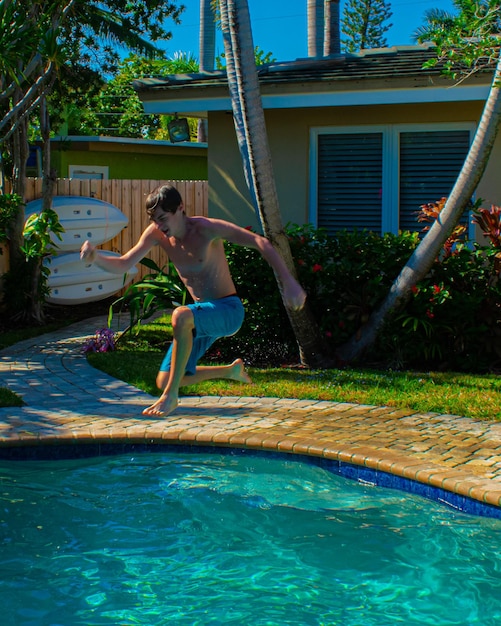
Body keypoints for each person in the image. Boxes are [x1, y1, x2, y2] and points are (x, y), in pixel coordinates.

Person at [80, 184, 306, 417]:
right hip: (200, 319)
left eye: (163, 218)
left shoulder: (206, 229)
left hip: (227, 310)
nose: (159, 226)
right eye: (155, 220)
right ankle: (230, 371)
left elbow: (261, 243)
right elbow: (124, 263)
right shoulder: (156, 234)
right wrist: (96, 257)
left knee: (181, 315)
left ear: (180, 208)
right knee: (166, 377)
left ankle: (170, 396)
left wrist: (288, 281)